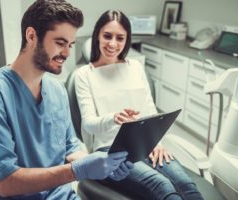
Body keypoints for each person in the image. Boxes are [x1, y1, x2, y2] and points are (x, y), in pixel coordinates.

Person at [0, 1, 134, 200]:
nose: (67, 54)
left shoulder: (57, 89)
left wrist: (104, 164)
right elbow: (6, 183)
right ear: (31, 36)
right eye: (60, 43)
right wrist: (76, 171)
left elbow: (70, 148)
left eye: (70, 45)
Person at [75, 10, 205, 200]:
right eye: (107, 36)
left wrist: (156, 142)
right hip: (109, 150)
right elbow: (88, 123)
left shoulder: (135, 67)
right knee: (162, 185)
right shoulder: (84, 75)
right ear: (97, 36)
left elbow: (150, 110)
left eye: (120, 38)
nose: (113, 43)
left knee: (185, 184)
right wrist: (113, 118)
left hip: (144, 144)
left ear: (127, 40)